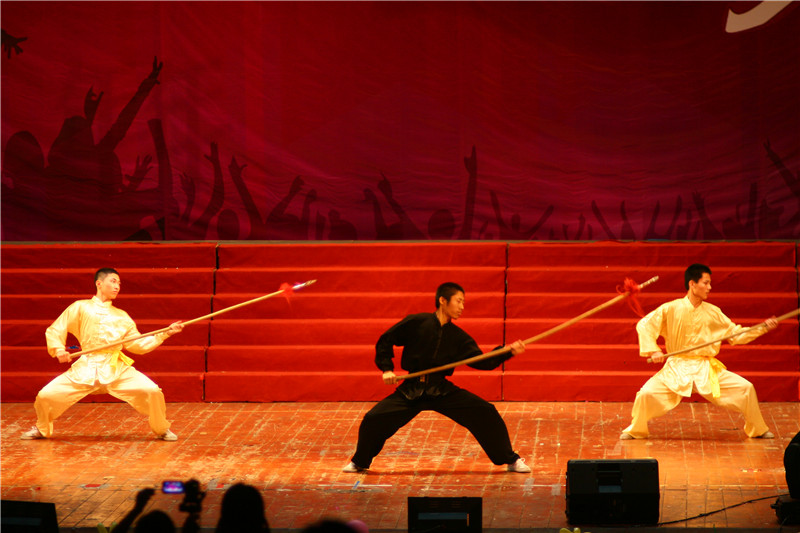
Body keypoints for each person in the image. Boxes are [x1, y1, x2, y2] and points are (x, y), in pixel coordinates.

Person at [343, 282, 531, 473]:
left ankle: (511, 460)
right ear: (443, 300)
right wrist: (387, 369)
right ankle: (360, 462)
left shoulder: (458, 337)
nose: (462, 307)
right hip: (411, 389)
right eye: (458, 301)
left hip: (440, 389)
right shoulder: (417, 322)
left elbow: (482, 362)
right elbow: (386, 340)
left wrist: (507, 352)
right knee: (374, 418)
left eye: (463, 302)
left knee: (485, 412)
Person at [20, 268, 183, 441]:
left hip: (115, 368)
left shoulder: (121, 316)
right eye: (113, 281)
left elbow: (138, 345)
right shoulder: (80, 307)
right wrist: (59, 349)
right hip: (85, 367)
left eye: (119, 283)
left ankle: (161, 428)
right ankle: (42, 428)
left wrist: (166, 333)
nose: (117, 286)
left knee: (152, 391)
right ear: (99, 283)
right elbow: (55, 330)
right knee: (46, 395)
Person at [620, 263, 777, 440]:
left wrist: (763, 327)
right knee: (646, 394)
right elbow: (645, 325)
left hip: (705, 368)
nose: (709, 287)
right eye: (706, 283)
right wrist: (653, 350)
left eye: (710, 283)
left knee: (745, 388)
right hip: (676, 367)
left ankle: (758, 429)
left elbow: (736, 334)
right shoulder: (670, 308)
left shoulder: (713, 312)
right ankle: (636, 429)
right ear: (692, 284)